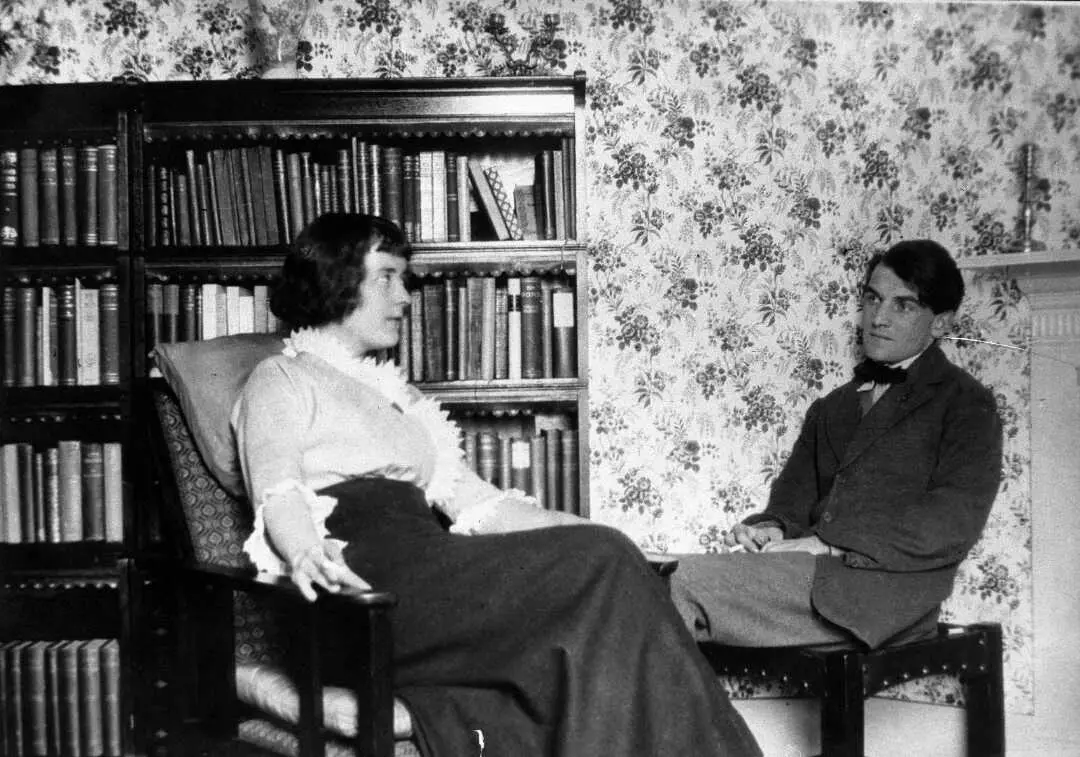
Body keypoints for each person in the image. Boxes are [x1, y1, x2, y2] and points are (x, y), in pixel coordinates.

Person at [232, 213, 762, 757]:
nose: (406, 297)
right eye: (387, 277)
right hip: (361, 588)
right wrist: (304, 553)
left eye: (405, 279)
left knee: (610, 572)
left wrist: (599, 534)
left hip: (429, 567)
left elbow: (481, 506)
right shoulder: (282, 378)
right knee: (604, 575)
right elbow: (278, 490)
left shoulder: (399, 397)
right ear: (335, 279)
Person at [670, 239, 1003, 650]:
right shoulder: (832, 407)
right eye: (872, 298)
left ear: (941, 324)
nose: (878, 318)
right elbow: (791, 504)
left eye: (903, 305)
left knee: (674, 583)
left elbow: (951, 524)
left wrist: (828, 543)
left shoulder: (966, 402)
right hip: (813, 580)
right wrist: (772, 528)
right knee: (654, 583)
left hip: (884, 598)